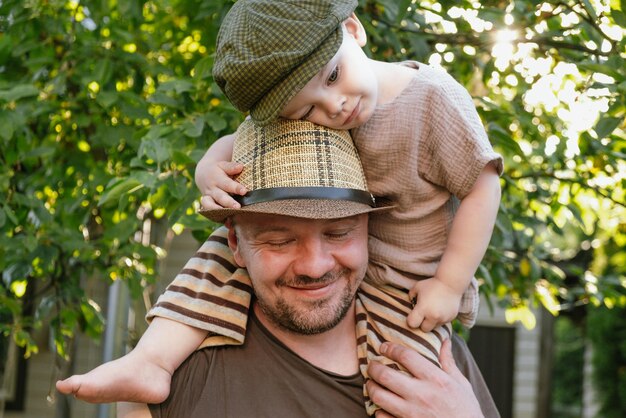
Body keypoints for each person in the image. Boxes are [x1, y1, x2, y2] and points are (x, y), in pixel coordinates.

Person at [57, 0, 503, 414]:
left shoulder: (430, 98)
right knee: (211, 255)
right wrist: (207, 169)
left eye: (332, 77)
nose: (335, 106)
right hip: (365, 272)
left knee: (401, 387)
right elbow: (238, 141)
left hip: (411, 289)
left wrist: (448, 284)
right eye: (279, 238)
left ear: (354, 29)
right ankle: (150, 360)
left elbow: (483, 185)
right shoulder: (200, 380)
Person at [113, 118, 495, 417]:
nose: (315, 266)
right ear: (235, 244)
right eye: (279, 241)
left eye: (339, 233)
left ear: (368, 230)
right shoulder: (175, 378)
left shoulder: (436, 362)